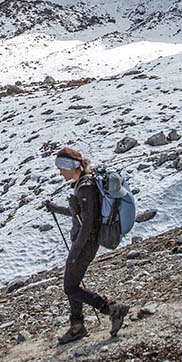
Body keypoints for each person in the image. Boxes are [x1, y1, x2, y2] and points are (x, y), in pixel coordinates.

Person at [43, 146, 129, 344]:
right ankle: (77, 326)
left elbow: (88, 223)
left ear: (72, 166)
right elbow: (81, 213)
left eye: (61, 168)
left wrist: (76, 250)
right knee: (72, 284)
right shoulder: (84, 184)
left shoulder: (84, 187)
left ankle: (112, 309)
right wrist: (56, 209)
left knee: (71, 287)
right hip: (85, 242)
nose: (60, 172)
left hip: (85, 243)